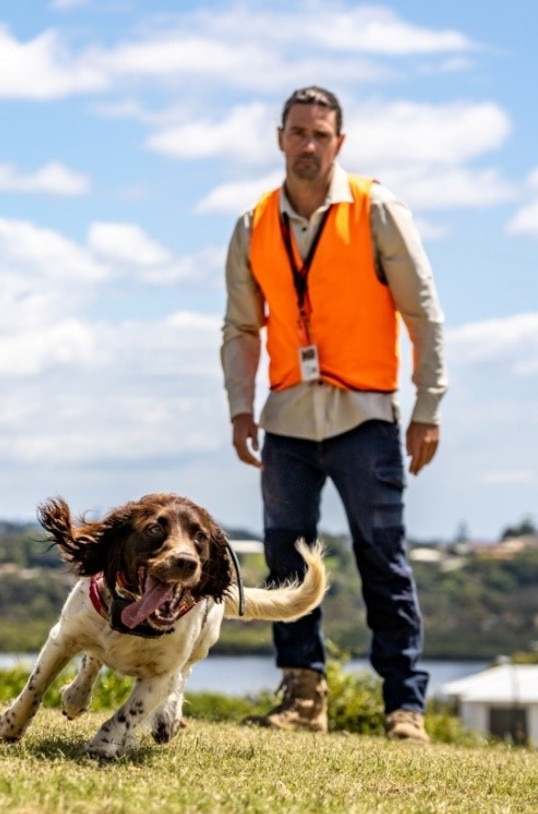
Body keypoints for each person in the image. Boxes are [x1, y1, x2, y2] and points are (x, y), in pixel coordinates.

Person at [220, 85, 447, 742]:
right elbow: (240, 328)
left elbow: (423, 314)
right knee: (285, 560)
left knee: (383, 559)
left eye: (321, 134)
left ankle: (404, 707)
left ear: (338, 143)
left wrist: (426, 408)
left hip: (365, 418)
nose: (309, 146)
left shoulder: (377, 210)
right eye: (298, 133)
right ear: (279, 138)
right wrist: (241, 409)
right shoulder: (252, 223)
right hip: (286, 419)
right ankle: (302, 698)